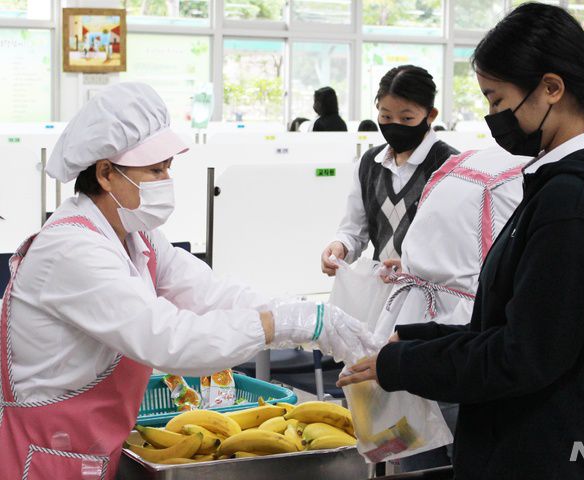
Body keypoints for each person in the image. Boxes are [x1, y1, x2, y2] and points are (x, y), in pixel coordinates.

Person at [339, 4, 584, 479]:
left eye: (496, 99)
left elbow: (521, 357)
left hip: (542, 454)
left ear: (551, 88)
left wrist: (404, 363)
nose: (492, 116)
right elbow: (525, 325)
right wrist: (419, 338)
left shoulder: (570, 204)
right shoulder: (563, 187)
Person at [0, 82, 375, 480]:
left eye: (168, 168)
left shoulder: (135, 235)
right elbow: (167, 337)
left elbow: (208, 293)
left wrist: (302, 314)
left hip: (88, 449)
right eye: (155, 170)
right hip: (44, 457)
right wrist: (277, 325)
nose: (166, 179)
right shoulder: (72, 248)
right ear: (106, 173)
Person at [375, 146, 527, 473]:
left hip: (421, 330)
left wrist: (417, 266)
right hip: (462, 338)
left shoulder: (464, 163)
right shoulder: (525, 178)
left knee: (420, 458)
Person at [321, 65, 459, 274]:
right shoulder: (370, 164)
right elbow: (354, 230)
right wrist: (341, 246)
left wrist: (415, 269)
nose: (395, 125)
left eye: (406, 118)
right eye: (386, 117)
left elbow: (460, 248)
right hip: (380, 288)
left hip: (430, 292)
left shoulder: (452, 168)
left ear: (430, 115)